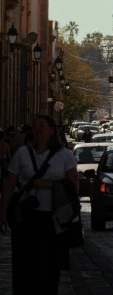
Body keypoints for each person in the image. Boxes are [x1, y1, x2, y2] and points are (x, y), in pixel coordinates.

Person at [0, 114, 78, 295]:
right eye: (35, 126)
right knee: (23, 265)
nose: (38, 129)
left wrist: (49, 184)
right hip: (26, 218)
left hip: (53, 219)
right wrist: (2, 213)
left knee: (49, 267)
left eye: (42, 125)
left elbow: (72, 187)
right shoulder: (22, 153)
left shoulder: (64, 155)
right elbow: (9, 185)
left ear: (52, 129)